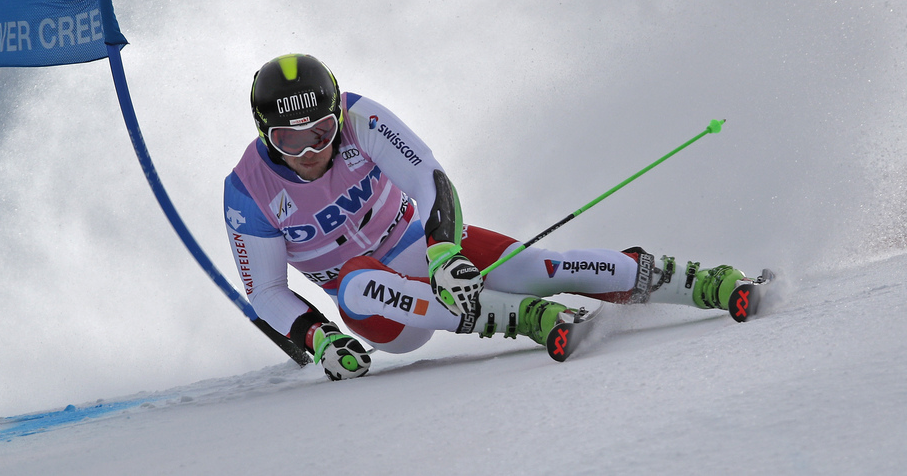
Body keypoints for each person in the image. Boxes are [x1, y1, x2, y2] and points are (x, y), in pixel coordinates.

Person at [224, 53, 752, 380]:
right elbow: (266, 290)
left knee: (543, 269)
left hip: (418, 247)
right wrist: (321, 339)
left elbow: (429, 179)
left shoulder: (362, 119)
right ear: (264, 133)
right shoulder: (249, 190)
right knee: (357, 281)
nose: (311, 149)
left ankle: (702, 283)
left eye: (321, 130)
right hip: (384, 312)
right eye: (288, 139)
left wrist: (444, 253)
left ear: (337, 114)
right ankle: (525, 319)